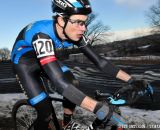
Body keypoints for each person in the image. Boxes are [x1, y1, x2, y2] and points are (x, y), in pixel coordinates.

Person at [11, 0, 151, 129]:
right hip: (24, 64)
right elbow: (59, 83)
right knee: (45, 112)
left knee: (73, 82)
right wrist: (98, 109)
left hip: (43, 57)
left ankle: (67, 123)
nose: (83, 28)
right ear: (61, 20)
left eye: (85, 23)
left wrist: (132, 80)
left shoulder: (74, 33)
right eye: (78, 22)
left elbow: (100, 62)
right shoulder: (42, 36)